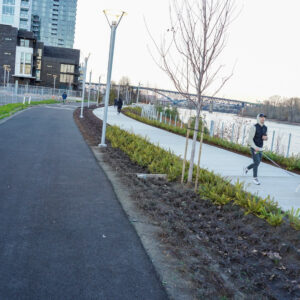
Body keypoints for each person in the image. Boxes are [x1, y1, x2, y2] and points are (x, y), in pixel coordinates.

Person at [244, 113, 268, 185]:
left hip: (260, 148)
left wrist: (266, 138)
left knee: (257, 162)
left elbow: (265, 137)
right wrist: (255, 147)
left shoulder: (265, 127)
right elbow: (250, 140)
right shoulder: (254, 127)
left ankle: (247, 168)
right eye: (261, 117)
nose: (263, 118)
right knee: (257, 162)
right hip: (254, 148)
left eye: (264, 117)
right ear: (258, 118)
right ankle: (255, 178)